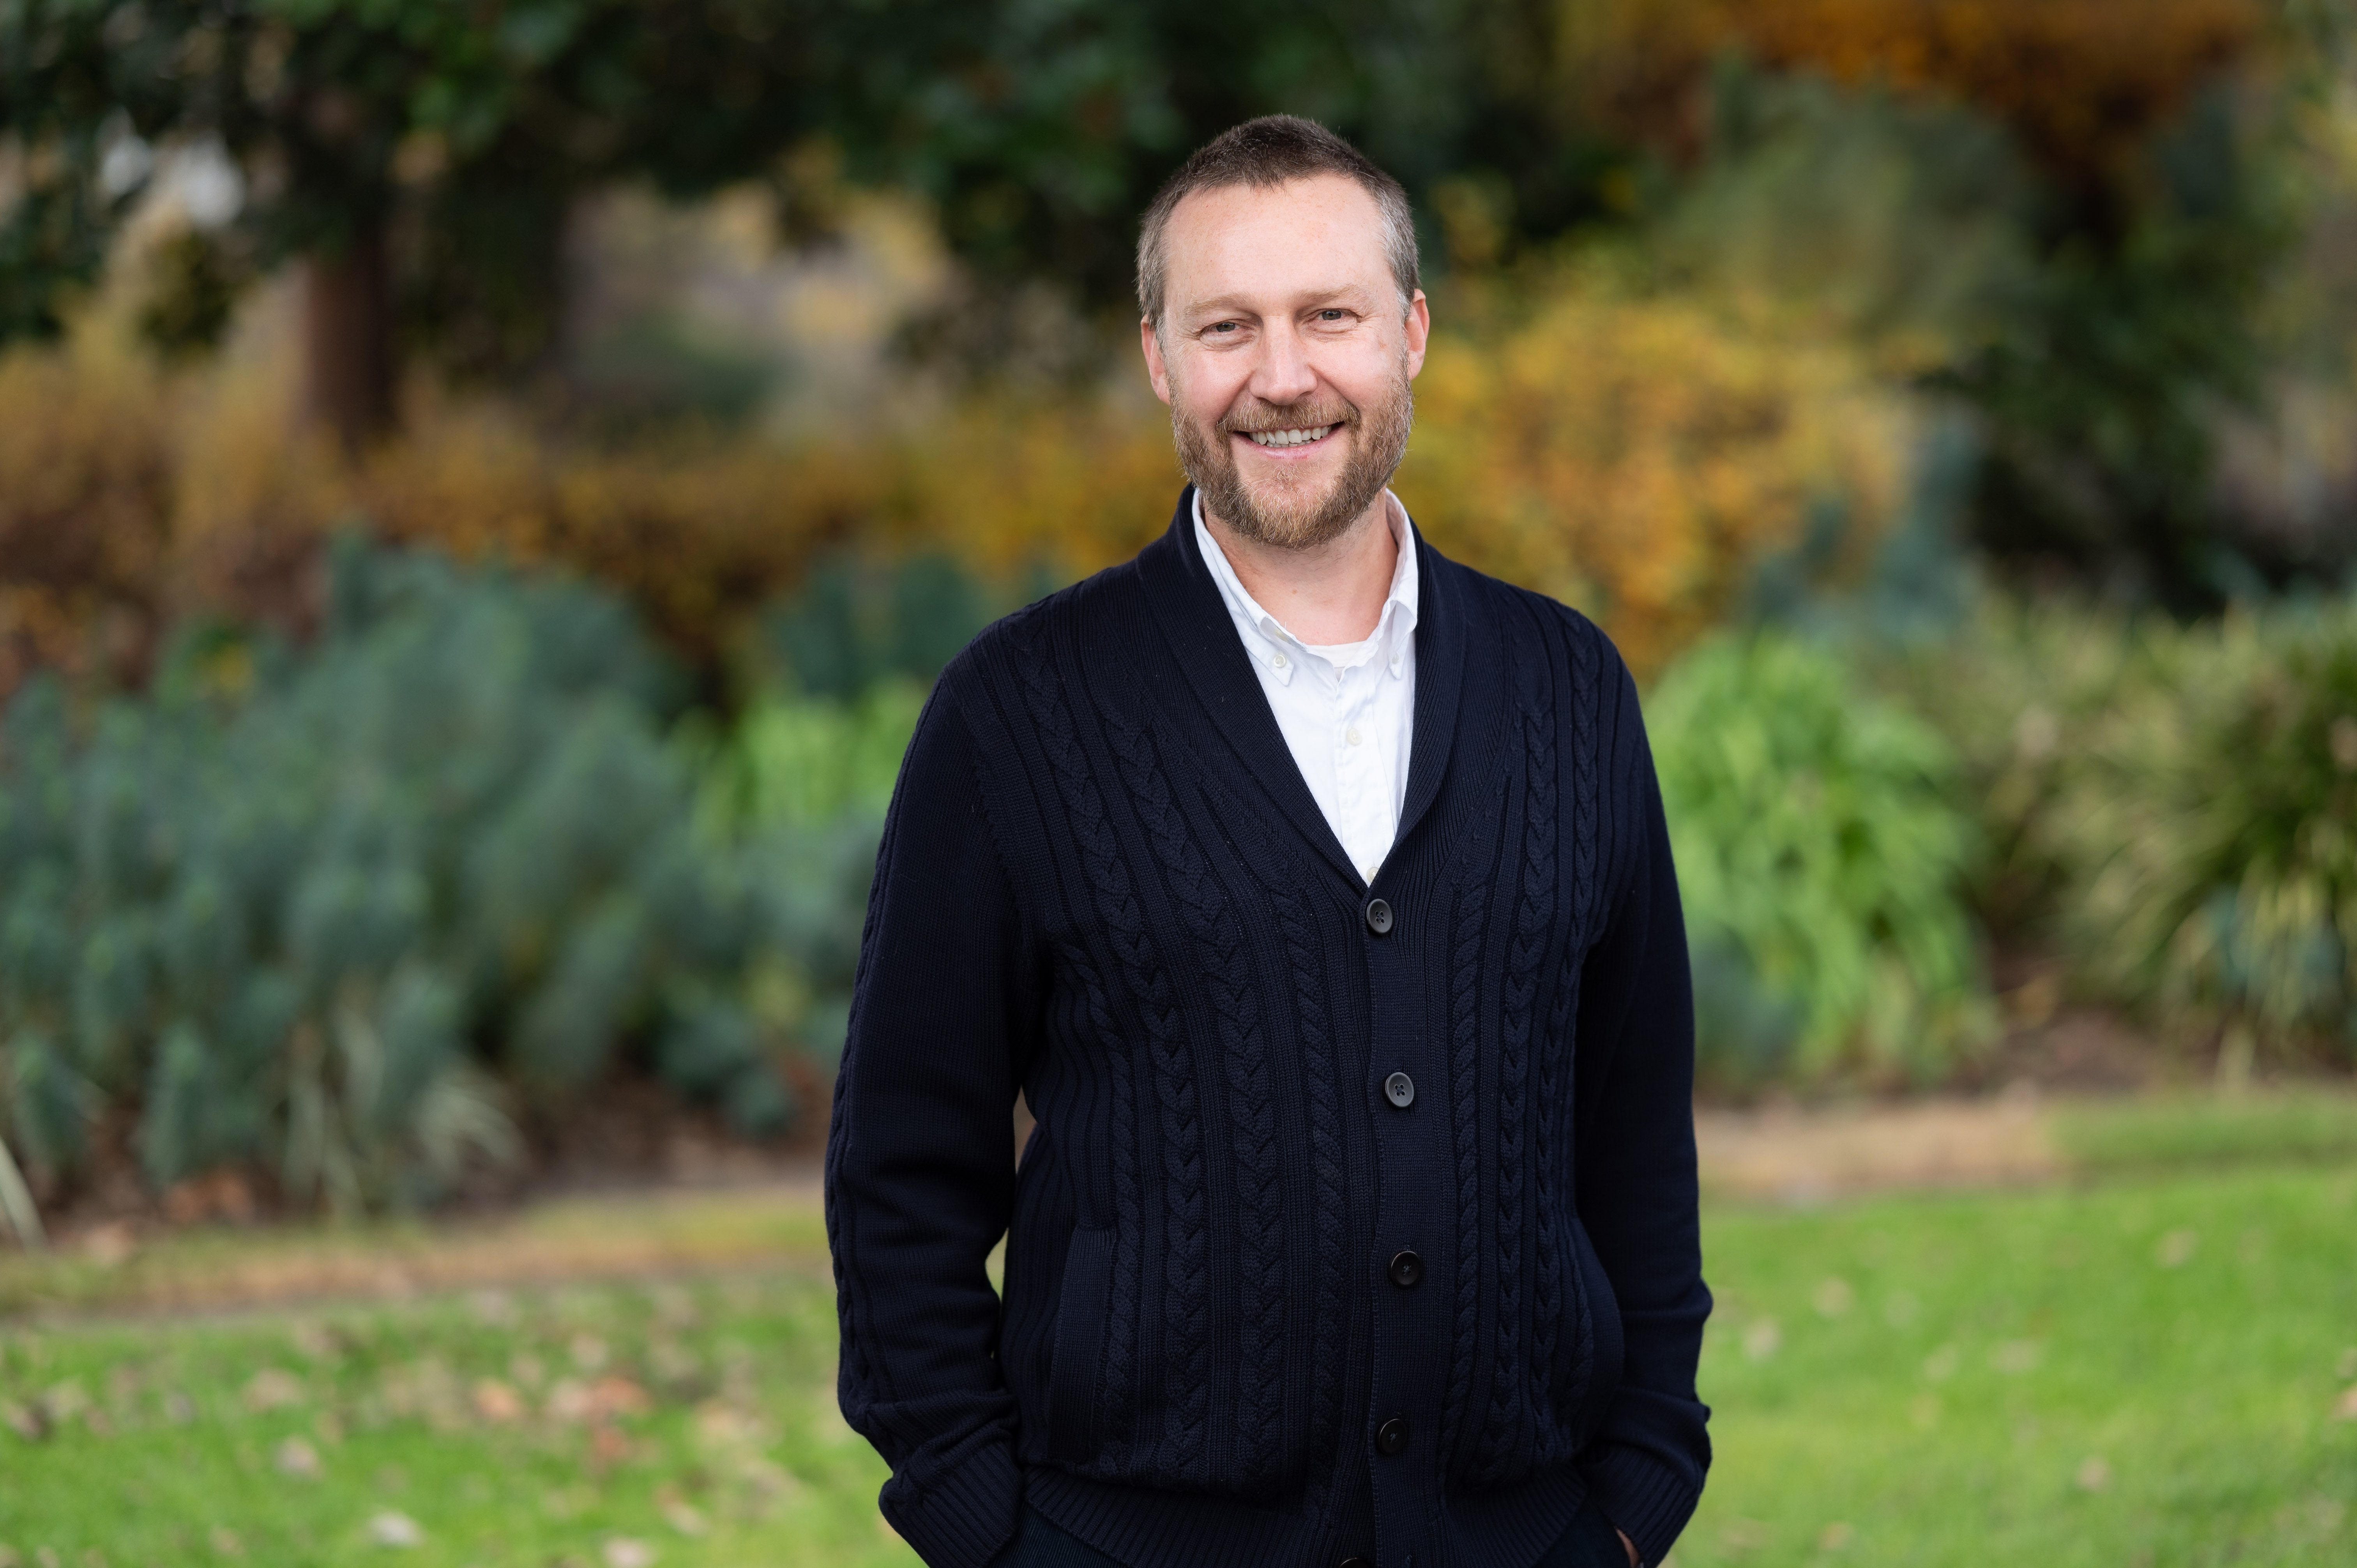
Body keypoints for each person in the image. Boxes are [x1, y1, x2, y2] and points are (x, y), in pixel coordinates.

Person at [825, 115, 1710, 1568]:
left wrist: (1637, 1491)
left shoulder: (1570, 692)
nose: (1284, 375)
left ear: (1412, 333)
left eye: (1331, 317)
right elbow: (899, 1173)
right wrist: (986, 1525)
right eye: (1227, 325)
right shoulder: (1020, 714)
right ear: (1162, 360)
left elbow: (1632, 1138)